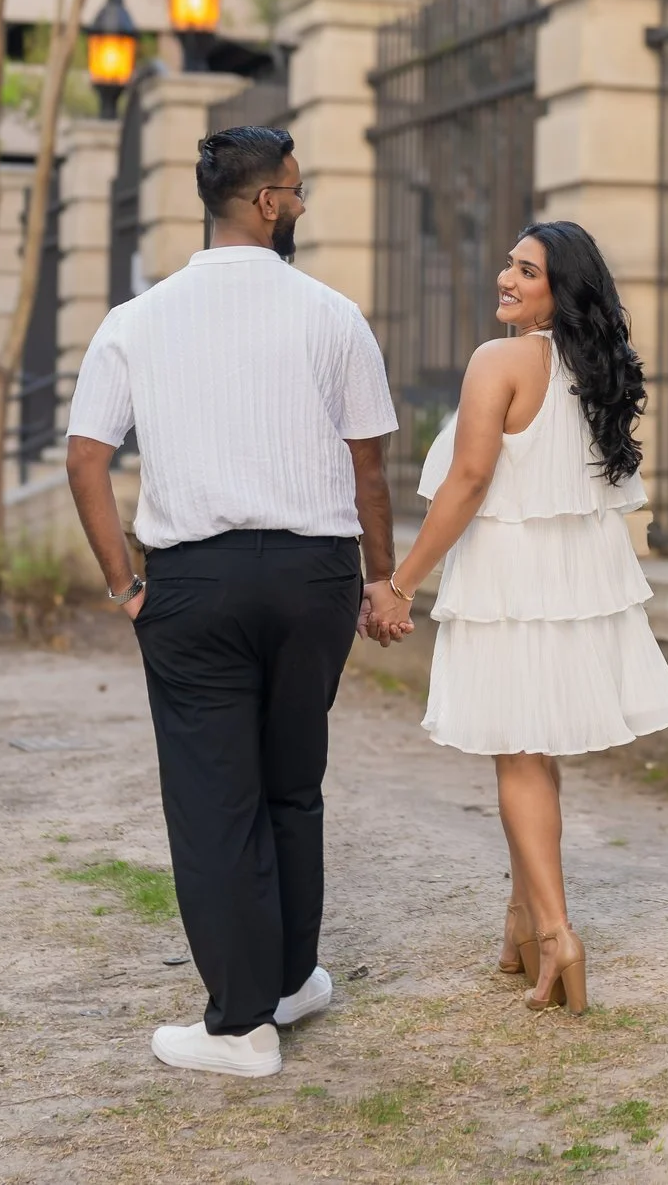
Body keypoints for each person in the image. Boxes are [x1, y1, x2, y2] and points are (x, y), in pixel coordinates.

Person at [65, 125, 408, 1078]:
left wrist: (123, 584)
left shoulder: (135, 320)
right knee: (292, 783)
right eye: (296, 190)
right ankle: (288, 980)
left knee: (218, 799)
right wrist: (379, 580)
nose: (301, 204)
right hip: (314, 580)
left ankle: (242, 1023)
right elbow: (368, 467)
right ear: (265, 203)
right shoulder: (334, 315)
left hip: (196, 585)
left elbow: (85, 459)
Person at [383, 220, 668, 1016]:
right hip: (563, 581)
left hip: (510, 581)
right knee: (530, 754)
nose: (507, 277)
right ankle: (522, 921)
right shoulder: (590, 369)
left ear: (562, 290)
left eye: (528, 271)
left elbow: (470, 479)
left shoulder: (500, 360)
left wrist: (400, 582)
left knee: (518, 756)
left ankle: (558, 933)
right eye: (510, 263)